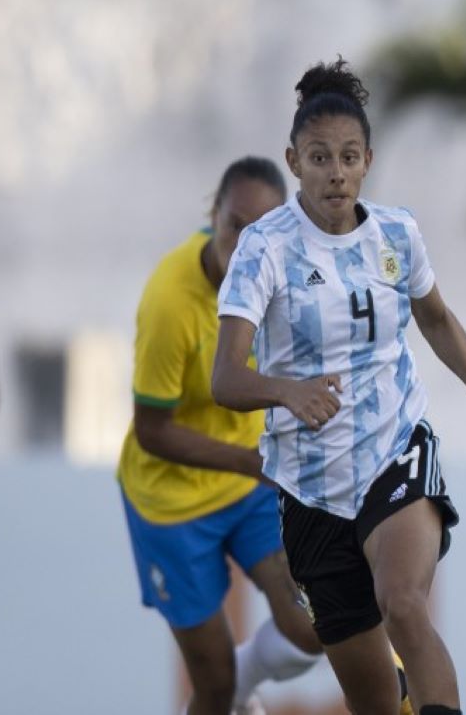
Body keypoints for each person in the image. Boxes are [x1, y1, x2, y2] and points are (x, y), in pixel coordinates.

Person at [212, 58, 466, 715]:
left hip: (394, 447)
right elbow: (226, 378)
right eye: (320, 157)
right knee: (376, 700)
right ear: (294, 162)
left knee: (404, 604)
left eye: (349, 157)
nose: (336, 172)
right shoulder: (264, 248)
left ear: (367, 162)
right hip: (310, 486)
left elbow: (435, 318)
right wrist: (287, 391)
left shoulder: (396, 234)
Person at [118, 157, 327, 715]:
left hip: (249, 483)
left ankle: (243, 681)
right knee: (210, 688)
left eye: (262, 229)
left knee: (316, 624)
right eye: (235, 225)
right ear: (212, 215)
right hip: (172, 503)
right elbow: (151, 431)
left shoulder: (289, 280)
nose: (245, 244)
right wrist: (250, 461)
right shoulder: (171, 301)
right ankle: (229, 689)